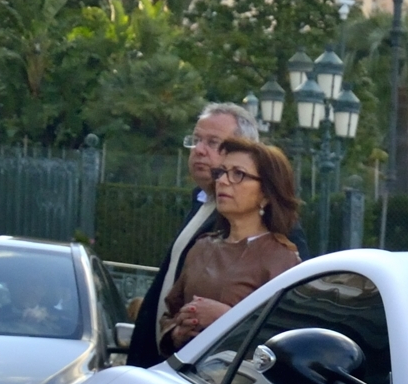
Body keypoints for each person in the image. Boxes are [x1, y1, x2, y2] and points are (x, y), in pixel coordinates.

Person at [126, 101, 254, 367]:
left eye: (213, 142)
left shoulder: (256, 223)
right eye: (196, 140)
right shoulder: (200, 203)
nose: (199, 150)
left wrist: (230, 319)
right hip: (161, 361)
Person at [157, 138, 302, 352]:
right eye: (221, 172)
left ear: (266, 194)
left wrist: (225, 318)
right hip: (183, 374)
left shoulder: (283, 259)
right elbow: (169, 314)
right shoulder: (202, 246)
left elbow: (285, 341)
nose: (222, 181)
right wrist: (177, 333)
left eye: (238, 174)